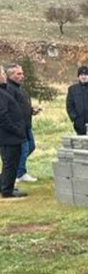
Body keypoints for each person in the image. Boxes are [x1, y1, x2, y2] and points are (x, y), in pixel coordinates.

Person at [5, 64, 40, 184]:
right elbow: (11, 108)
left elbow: (22, 106)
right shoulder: (9, 89)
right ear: (10, 75)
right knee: (23, 149)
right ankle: (19, 173)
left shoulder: (20, 89)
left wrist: (32, 111)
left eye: (22, 73)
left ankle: (19, 171)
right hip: (18, 126)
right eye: (18, 74)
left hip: (27, 124)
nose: (22, 76)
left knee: (31, 146)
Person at [0, 64, 31, 200]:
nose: (3, 75)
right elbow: (3, 115)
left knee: (10, 162)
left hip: (12, 134)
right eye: (2, 73)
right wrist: (16, 129)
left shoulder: (4, 90)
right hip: (9, 136)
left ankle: (6, 185)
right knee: (10, 163)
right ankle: (7, 190)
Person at [66, 65, 88, 135]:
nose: (83, 77)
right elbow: (69, 105)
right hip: (79, 123)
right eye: (81, 75)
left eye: (86, 75)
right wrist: (74, 118)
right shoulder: (73, 89)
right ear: (78, 76)